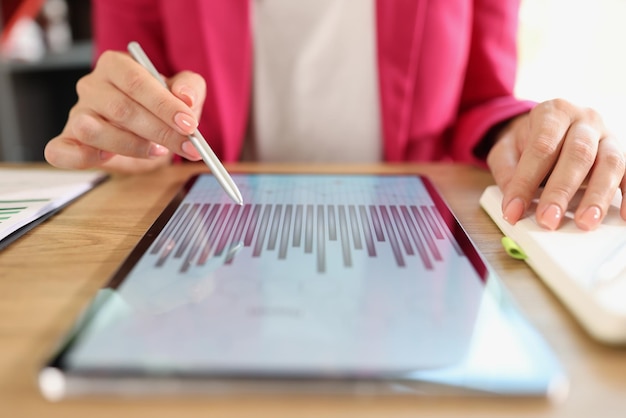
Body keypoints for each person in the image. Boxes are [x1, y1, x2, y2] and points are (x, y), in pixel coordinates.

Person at [44, 0, 626, 232]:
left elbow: (483, 100)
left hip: (413, 243)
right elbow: (131, 89)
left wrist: (522, 132)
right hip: (216, 249)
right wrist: (126, 131)